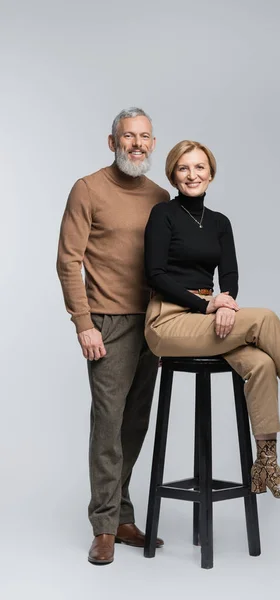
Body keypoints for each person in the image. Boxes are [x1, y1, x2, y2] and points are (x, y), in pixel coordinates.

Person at [144, 140, 280, 500]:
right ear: (173, 175)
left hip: (212, 316)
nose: (192, 174)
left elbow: (229, 274)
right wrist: (208, 307)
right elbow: (155, 274)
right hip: (170, 320)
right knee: (265, 319)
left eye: (200, 167)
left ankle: (266, 465)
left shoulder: (219, 222)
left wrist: (226, 303)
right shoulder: (162, 216)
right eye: (184, 168)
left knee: (262, 363)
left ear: (211, 174)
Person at [57, 107, 169, 565]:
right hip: (107, 322)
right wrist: (83, 323)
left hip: (156, 321)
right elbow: (68, 260)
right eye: (128, 136)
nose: (136, 144)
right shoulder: (88, 189)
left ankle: (123, 517)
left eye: (144, 136)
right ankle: (103, 527)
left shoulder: (162, 196)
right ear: (112, 142)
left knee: (135, 424)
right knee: (108, 425)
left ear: (153, 144)